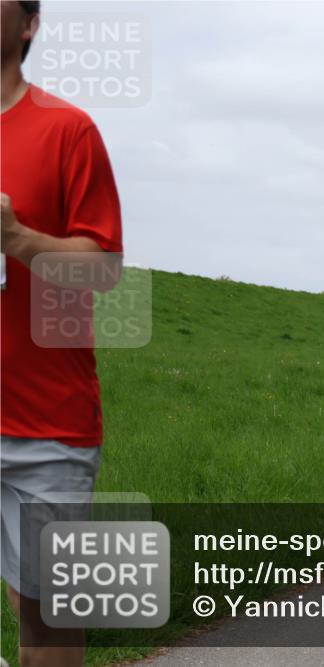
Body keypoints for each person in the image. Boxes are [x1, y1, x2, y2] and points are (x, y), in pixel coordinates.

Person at [1, 2, 123, 665]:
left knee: (42, 612)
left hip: (41, 425)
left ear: (28, 24)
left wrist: (17, 238)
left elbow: (102, 270)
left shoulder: (67, 130)